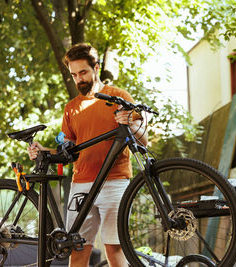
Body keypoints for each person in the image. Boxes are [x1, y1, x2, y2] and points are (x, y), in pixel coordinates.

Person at [27, 43, 148, 267]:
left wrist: (130, 122)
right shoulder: (71, 108)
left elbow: (143, 140)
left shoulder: (119, 96)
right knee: (78, 252)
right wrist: (44, 152)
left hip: (115, 181)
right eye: (74, 75)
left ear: (96, 68)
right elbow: (68, 150)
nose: (78, 79)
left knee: (115, 251)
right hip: (81, 184)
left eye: (83, 72)